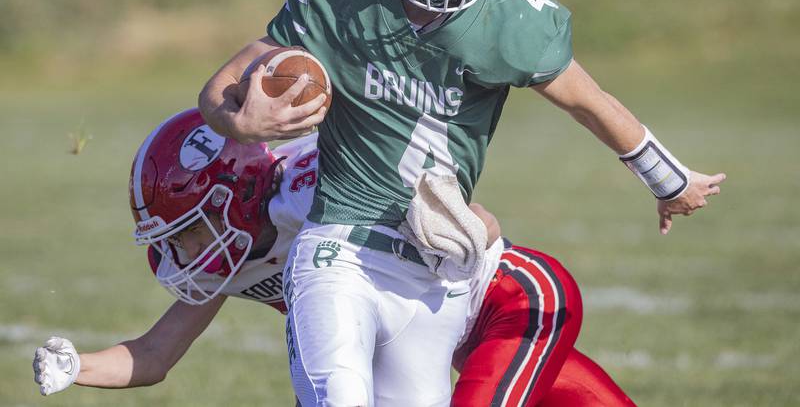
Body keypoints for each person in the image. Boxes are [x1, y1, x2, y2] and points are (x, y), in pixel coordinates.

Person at [198, 0, 725, 405]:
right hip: (338, 247)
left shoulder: (511, 18)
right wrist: (239, 124)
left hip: (435, 271)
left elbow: (589, 102)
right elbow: (223, 85)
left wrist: (669, 180)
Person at [33, 109, 634, 405]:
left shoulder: (313, 189)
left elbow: (478, 222)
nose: (180, 253)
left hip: (510, 303)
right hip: (443, 344)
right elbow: (156, 354)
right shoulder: (233, 257)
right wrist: (74, 364)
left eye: (189, 232)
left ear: (236, 194)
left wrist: (446, 217)